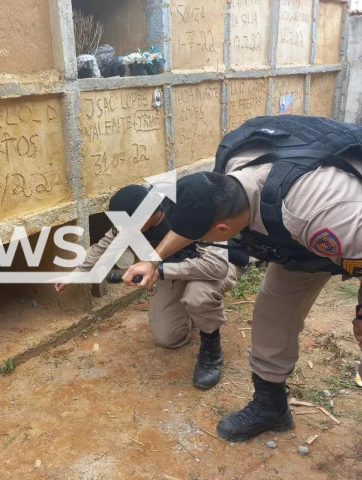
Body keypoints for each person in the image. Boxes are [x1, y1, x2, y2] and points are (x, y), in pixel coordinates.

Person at [122, 115, 362, 442]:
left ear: (222, 231)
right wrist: (153, 260)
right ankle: (271, 406)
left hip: (346, 222)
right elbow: (196, 219)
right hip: (301, 242)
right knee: (272, 311)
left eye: (203, 237)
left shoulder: (320, 214)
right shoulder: (230, 173)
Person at [57, 184, 247, 389]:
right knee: (167, 338)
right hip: (175, 269)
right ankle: (193, 312)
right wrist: (76, 273)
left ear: (147, 216)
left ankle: (211, 349)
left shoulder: (189, 213)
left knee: (198, 296)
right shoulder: (131, 221)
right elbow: (104, 246)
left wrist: (161, 271)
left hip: (216, 267)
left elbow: (215, 267)